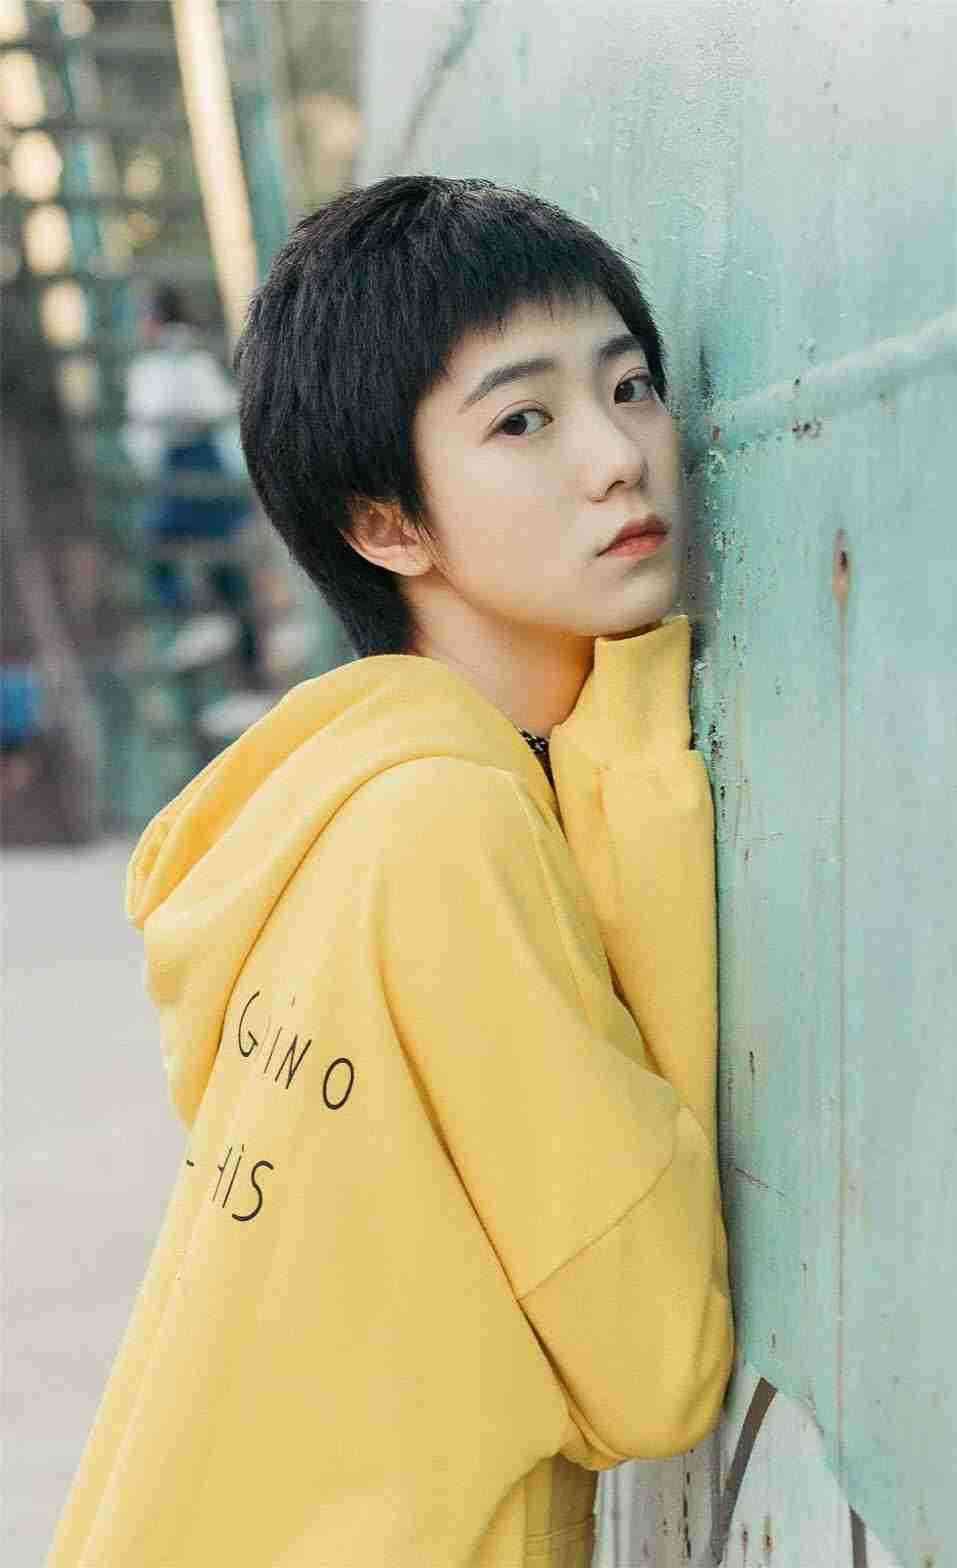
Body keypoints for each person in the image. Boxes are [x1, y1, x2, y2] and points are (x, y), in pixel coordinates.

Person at [47, 176, 734, 1568]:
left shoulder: (350, 809)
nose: (618, 456)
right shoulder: (445, 832)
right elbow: (661, 1360)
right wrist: (636, 773)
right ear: (386, 524)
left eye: (632, 387)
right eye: (524, 420)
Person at [124, 284, 262, 682]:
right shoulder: (186, 356)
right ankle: (245, 662)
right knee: (223, 566)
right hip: (203, 463)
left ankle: (204, 625)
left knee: (162, 546)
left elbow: (154, 419)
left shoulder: (171, 359)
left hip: (189, 460)